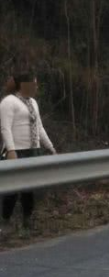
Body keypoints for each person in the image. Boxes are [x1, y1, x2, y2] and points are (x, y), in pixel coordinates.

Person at [1, 72, 56, 232]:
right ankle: (5, 221)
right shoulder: (8, 102)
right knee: (12, 188)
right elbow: (5, 127)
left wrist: (50, 147)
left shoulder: (32, 102)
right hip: (17, 150)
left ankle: (27, 220)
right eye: (34, 83)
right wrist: (11, 151)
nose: (37, 87)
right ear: (24, 84)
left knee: (28, 188)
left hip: (33, 150)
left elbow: (39, 127)